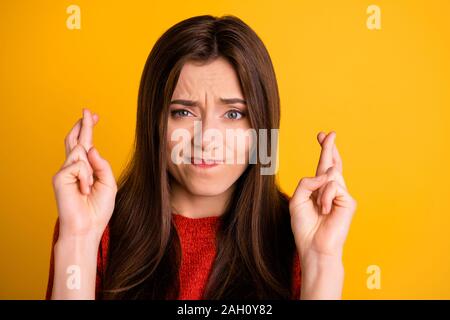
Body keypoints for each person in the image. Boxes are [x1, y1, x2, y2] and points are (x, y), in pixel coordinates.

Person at [46, 14, 357, 300]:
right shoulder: (97, 228)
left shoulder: (300, 236)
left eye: (234, 114)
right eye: (183, 111)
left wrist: (322, 260)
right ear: (153, 123)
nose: (207, 138)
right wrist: (79, 240)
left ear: (263, 128)